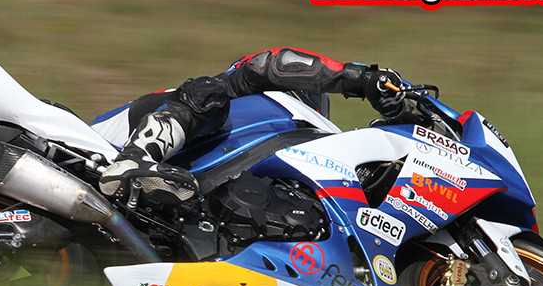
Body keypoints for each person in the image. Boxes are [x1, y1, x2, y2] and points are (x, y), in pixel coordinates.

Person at [96, 47, 406, 203]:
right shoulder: (242, 89)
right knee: (210, 95)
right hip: (101, 145)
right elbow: (270, 64)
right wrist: (362, 79)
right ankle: (133, 159)